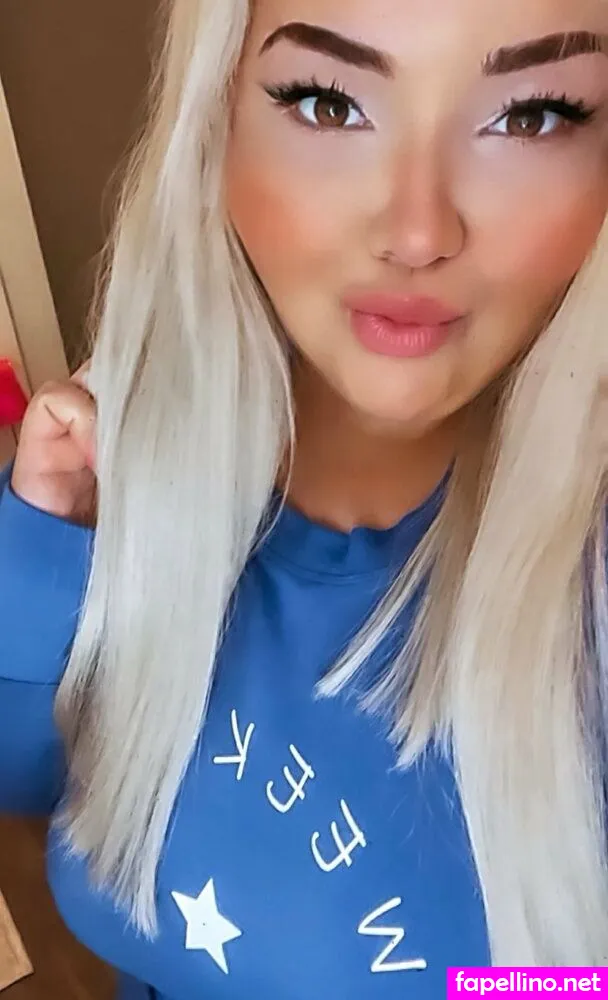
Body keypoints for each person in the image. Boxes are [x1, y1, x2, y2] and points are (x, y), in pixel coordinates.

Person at [1, 0, 608, 994]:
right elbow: (29, 784)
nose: (416, 231)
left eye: (532, 116)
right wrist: (47, 552)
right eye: (329, 103)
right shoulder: (132, 464)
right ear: (216, 129)